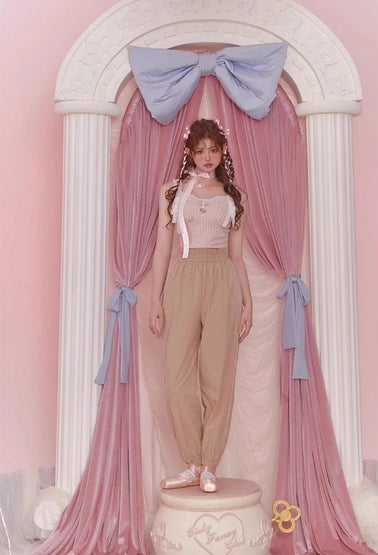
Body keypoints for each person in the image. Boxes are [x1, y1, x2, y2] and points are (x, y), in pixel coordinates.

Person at [149, 119, 252, 493]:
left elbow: (237, 256)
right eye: (200, 150)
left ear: (223, 151)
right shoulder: (171, 192)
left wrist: (248, 304)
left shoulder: (236, 196)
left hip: (222, 280)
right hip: (184, 276)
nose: (207, 157)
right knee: (178, 378)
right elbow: (163, 250)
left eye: (214, 150)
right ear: (189, 153)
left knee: (217, 377)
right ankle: (191, 462)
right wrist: (156, 300)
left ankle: (209, 465)